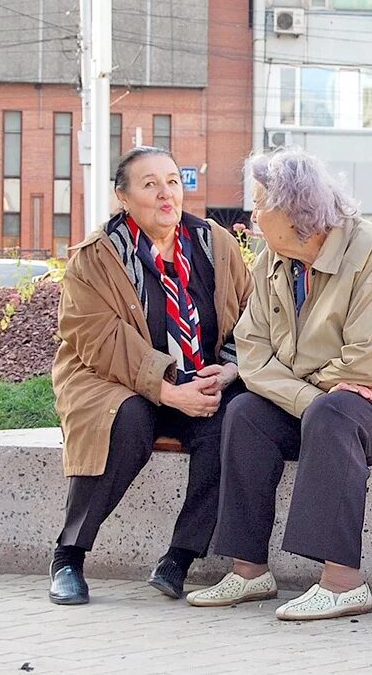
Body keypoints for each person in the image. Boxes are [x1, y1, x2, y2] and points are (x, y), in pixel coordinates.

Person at [186, 147, 372, 620]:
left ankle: (342, 582)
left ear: (293, 209)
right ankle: (248, 571)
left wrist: (304, 388)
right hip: (336, 396)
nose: (252, 214)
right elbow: (253, 354)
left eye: (261, 203)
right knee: (246, 413)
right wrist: (308, 394)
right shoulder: (272, 261)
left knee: (333, 415)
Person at [48, 146, 252, 605]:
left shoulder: (213, 243)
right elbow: (97, 339)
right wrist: (166, 390)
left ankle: (179, 557)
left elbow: (251, 314)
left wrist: (230, 367)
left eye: (174, 181)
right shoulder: (96, 258)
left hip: (201, 379)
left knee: (234, 423)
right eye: (150, 184)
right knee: (127, 422)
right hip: (113, 381)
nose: (166, 195)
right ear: (123, 197)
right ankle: (69, 556)